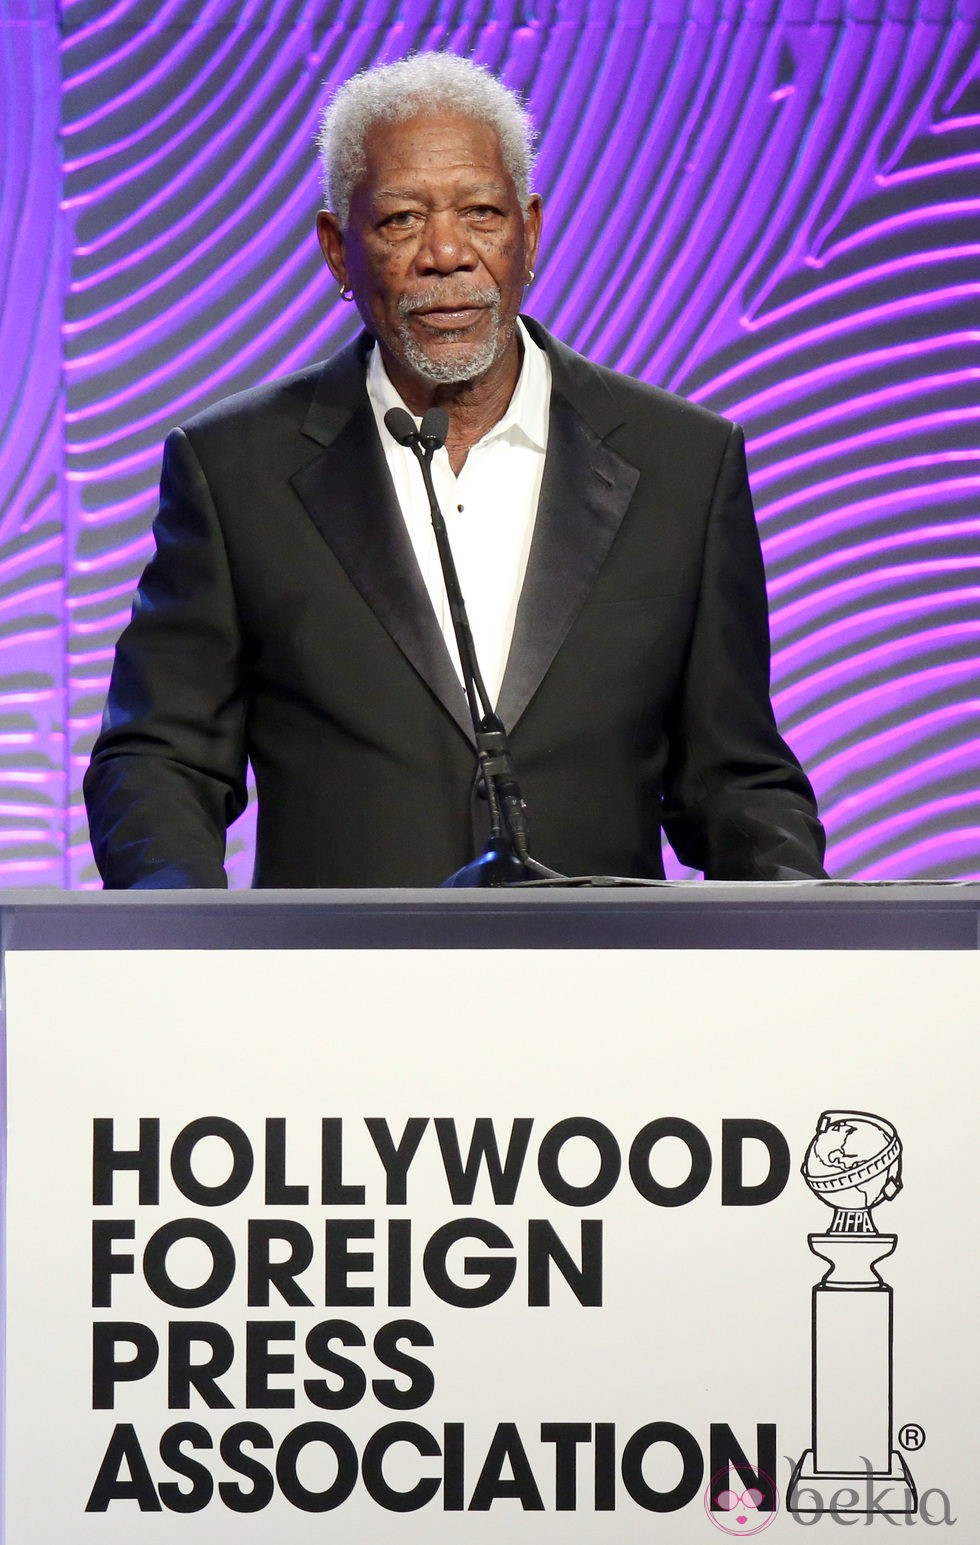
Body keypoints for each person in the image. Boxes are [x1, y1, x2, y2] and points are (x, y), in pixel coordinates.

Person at [84, 52, 827, 889]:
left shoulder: (683, 463)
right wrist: (190, 958)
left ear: (529, 232)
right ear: (337, 248)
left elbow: (735, 780)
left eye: (480, 213)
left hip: (606, 1001)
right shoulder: (235, 470)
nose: (446, 253)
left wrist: (797, 939)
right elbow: (158, 760)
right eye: (400, 219)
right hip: (336, 1001)